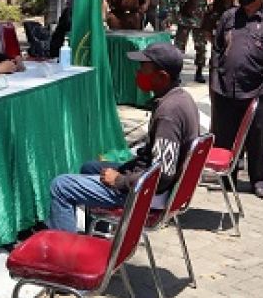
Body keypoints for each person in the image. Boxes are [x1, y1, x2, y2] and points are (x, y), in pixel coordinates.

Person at [47, 43, 200, 232]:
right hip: (146, 179)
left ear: (162, 77)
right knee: (90, 167)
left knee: (61, 186)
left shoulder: (169, 113)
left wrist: (120, 181)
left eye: (143, 69)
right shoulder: (181, 97)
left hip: (147, 194)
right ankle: (99, 236)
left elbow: (163, 175)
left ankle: (65, 257)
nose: (138, 73)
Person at [210, 0, 263, 198]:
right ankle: (227, 176)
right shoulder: (229, 17)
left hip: (256, 89)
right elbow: (216, 48)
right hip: (225, 88)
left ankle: (258, 180)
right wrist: (215, 75)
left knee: (257, 136)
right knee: (225, 135)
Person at [171, 0, 209, 83]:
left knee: (201, 48)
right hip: (184, 20)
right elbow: (174, 0)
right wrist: (174, 16)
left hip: (199, 21)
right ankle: (175, 73)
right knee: (179, 48)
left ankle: (199, 72)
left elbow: (208, 3)